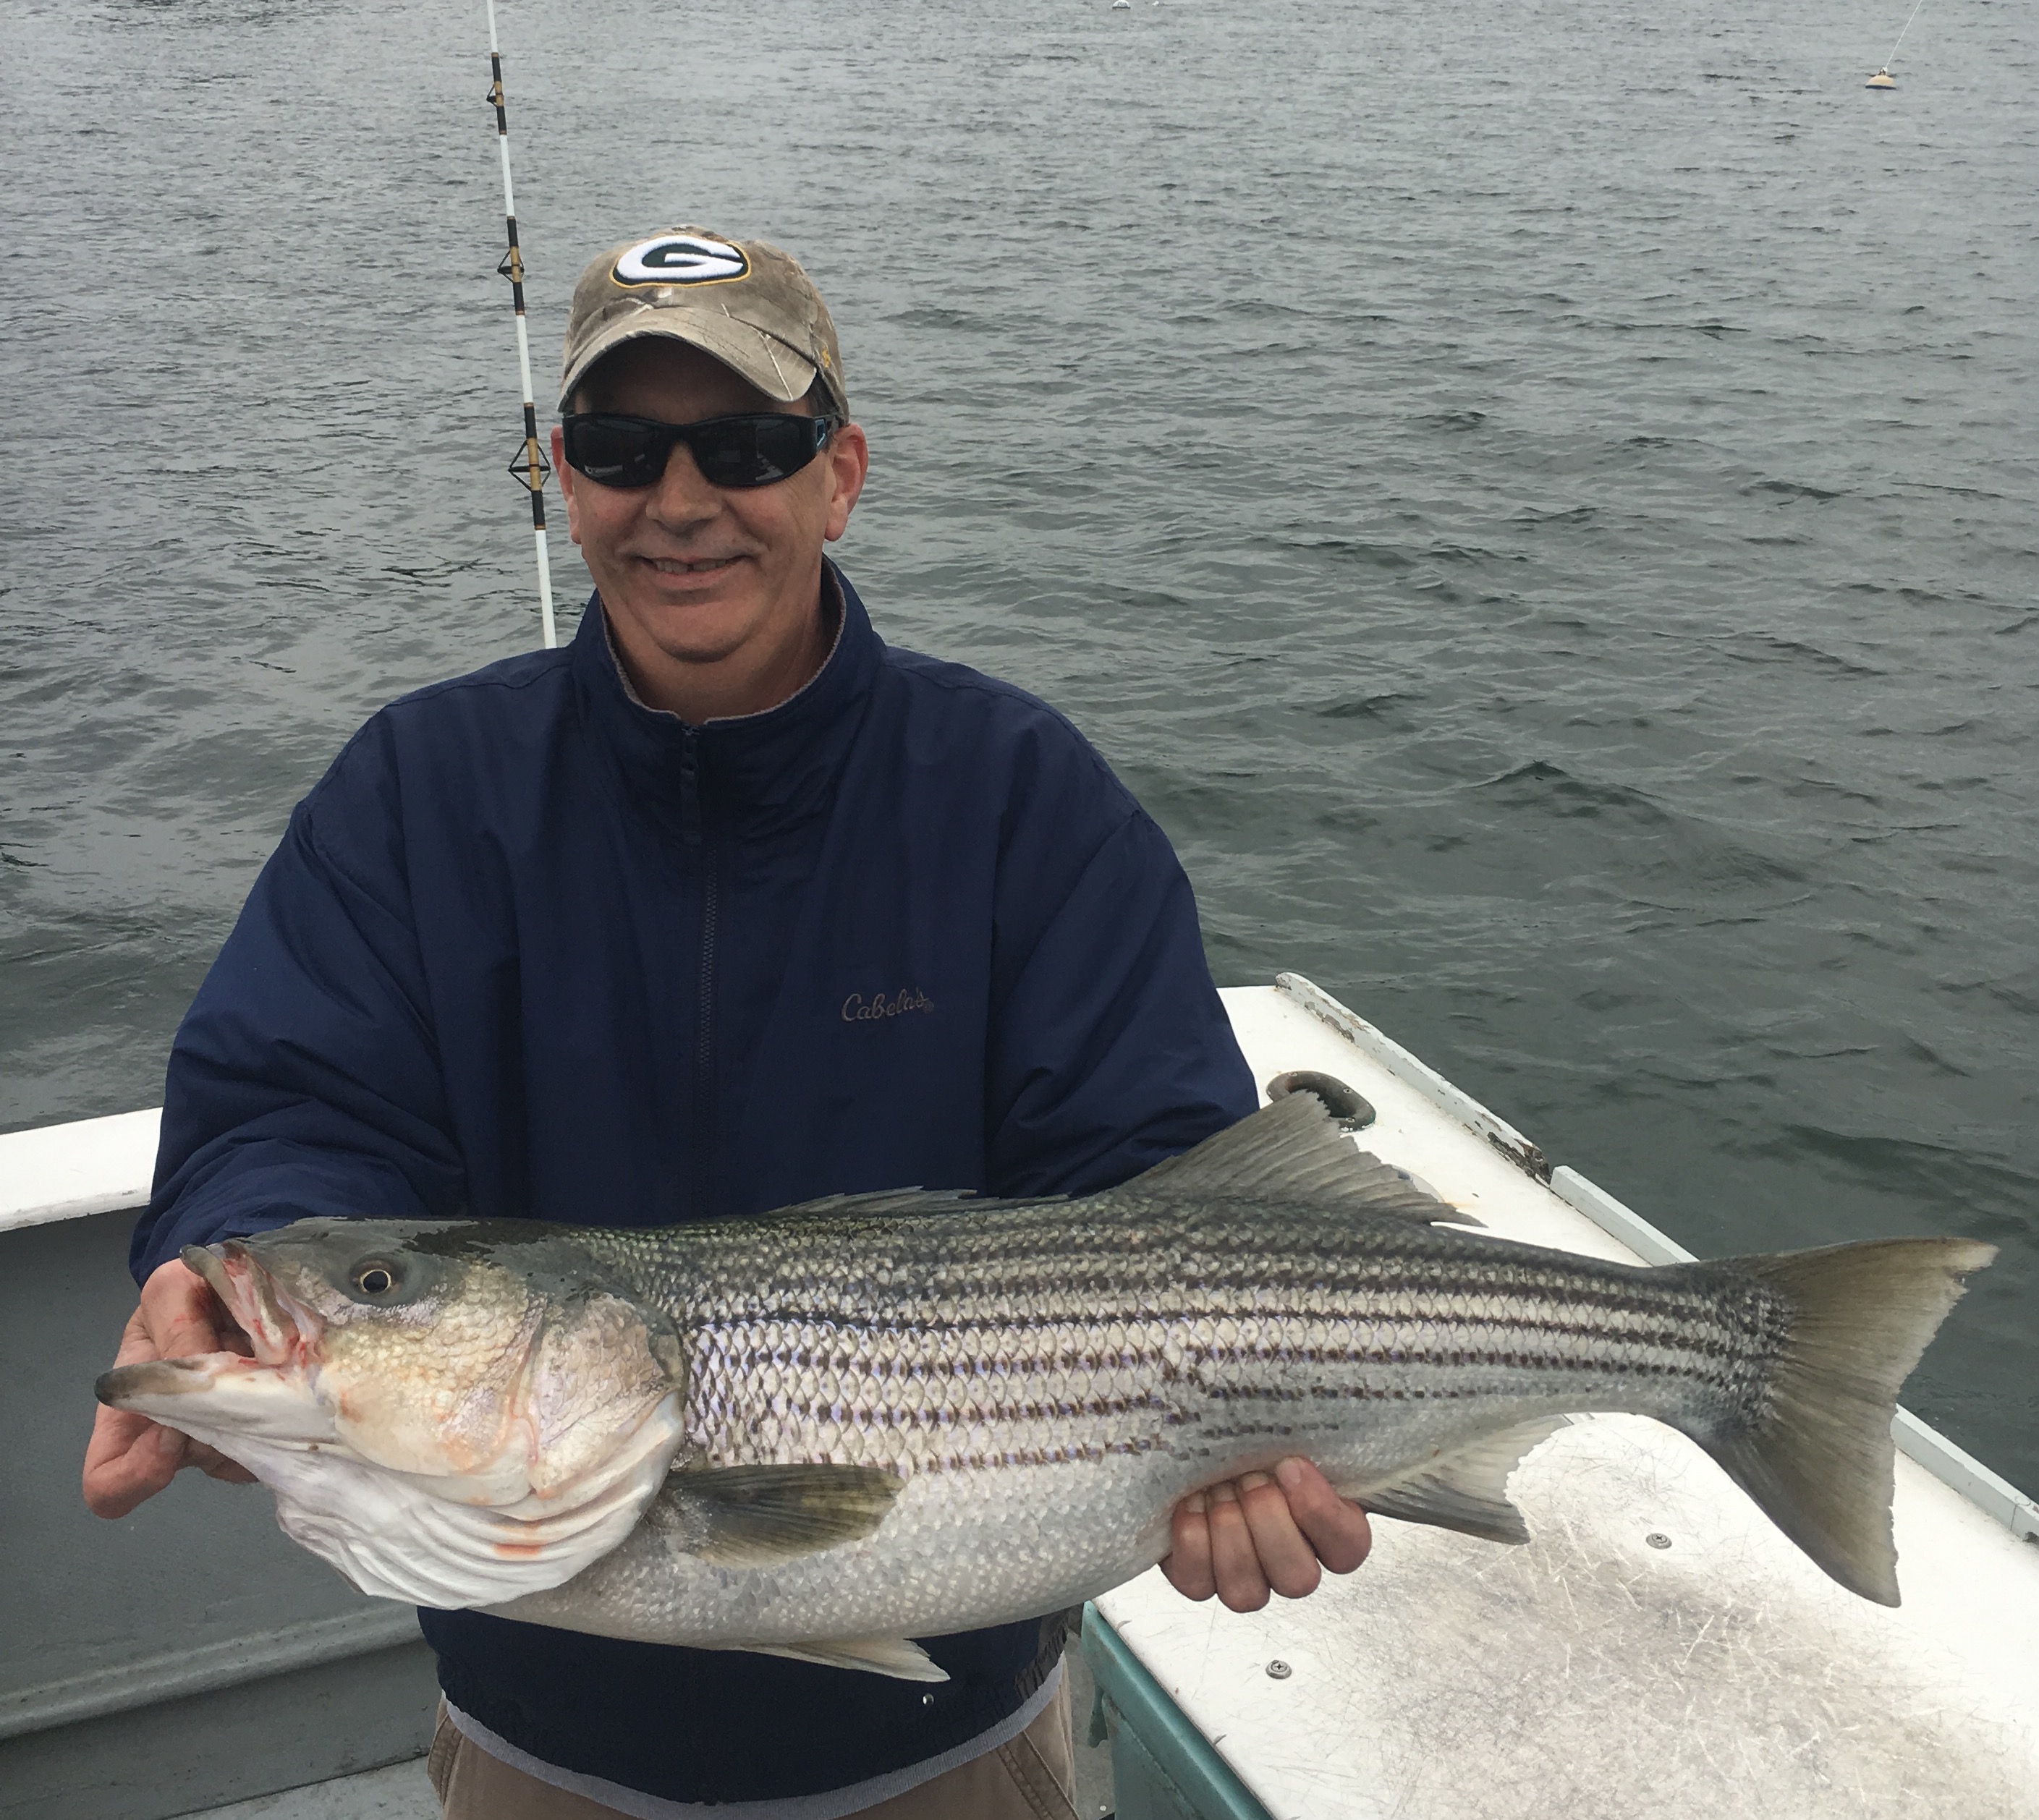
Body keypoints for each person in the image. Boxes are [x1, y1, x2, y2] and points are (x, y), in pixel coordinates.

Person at [82, 227, 1373, 1819]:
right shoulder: (417, 796)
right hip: (538, 1744)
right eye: (624, 447)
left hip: (950, 1754)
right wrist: (242, 1254)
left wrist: (1247, 1426)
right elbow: (293, 1094)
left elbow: (1155, 1168)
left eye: (748, 444)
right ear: (566, 475)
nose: (679, 501)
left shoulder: (1017, 799)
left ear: (841, 475)